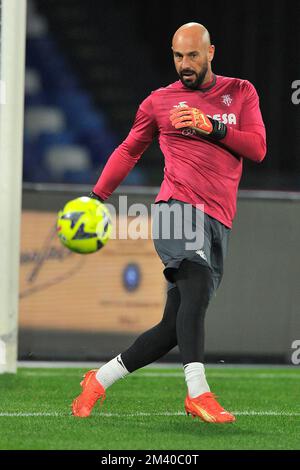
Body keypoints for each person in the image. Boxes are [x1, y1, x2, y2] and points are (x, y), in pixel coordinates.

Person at [72, 22, 266, 423]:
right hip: (176, 209)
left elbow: (258, 148)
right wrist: (96, 198)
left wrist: (209, 125)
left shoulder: (240, 91)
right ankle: (199, 393)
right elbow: (129, 150)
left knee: (173, 327)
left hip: (218, 220)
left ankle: (98, 380)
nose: (185, 64)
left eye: (193, 55)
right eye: (178, 56)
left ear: (211, 52)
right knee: (194, 290)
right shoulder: (159, 102)